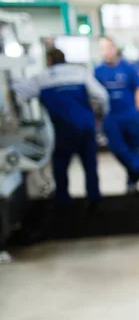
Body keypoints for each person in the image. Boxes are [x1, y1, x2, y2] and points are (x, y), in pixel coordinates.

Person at [13, 48, 109, 211]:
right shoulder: (80, 73)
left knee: (61, 165)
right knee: (90, 164)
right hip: (86, 126)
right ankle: (94, 199)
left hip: (61, 129)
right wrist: (101, 118)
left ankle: (63, 201)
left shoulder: (42, 78)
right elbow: (102, 96)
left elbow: (21, 93)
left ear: (49, 60)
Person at [94, 37, 139, 195]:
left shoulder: (128, 68)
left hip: (130, 115)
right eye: (103, 48)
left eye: (109, 47)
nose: (107, 51)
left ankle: (132, 183)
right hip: (111, 117)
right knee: (117, 148)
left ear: (114, 48)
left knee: (134, 150)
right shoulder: (97, 71)